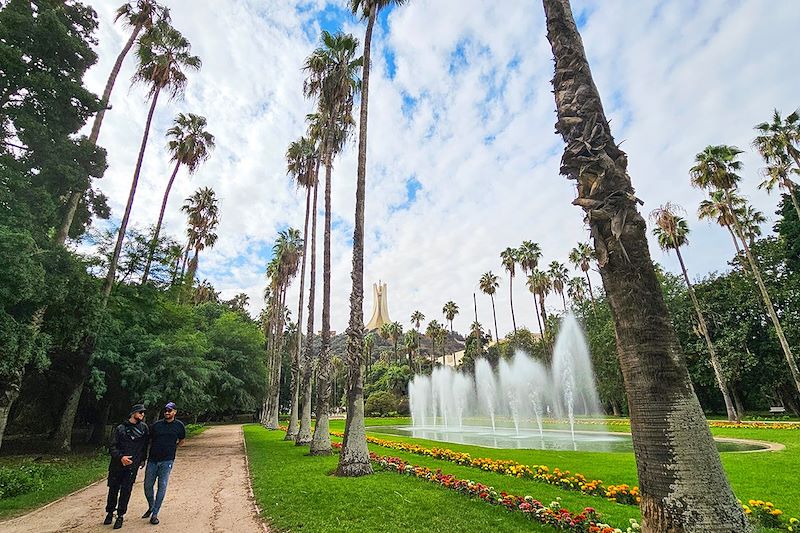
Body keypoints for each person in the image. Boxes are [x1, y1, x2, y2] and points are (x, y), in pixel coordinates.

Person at [105, 404, 149, 529]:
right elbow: (112, 446)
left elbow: (144, 446)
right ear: (133, 413)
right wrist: (120, 457)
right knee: (113, 489)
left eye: (143, 413)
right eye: (140, 412)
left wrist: (142, 459)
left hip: (132, 466)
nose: (142, 415)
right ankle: (109, 512)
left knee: (126, 491)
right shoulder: (120, 428)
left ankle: (120, 515)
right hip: (117, 464)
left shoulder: (144, 428)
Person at [142, 401, 186, 525]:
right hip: (152, 460)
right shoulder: (156, 426)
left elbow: (182, 440)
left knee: (162, 485)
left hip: (167, 460)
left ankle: (155, 513)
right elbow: (148, 440)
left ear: (174, 412)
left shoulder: (179, 426)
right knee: (147, 486)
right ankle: (151, 506)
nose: (167, 412)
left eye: (170, 410)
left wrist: (173, 448)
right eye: (166, 410)